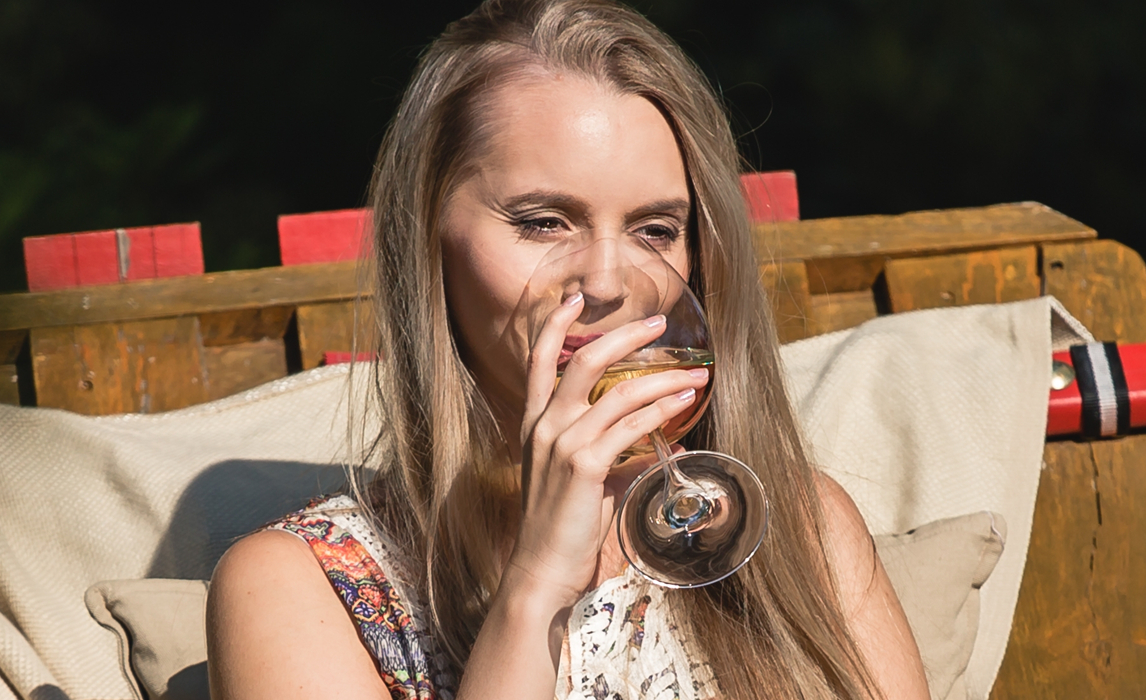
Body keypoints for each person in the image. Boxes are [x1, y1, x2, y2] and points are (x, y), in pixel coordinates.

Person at [207, 1, 929, 698]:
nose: (610, 283)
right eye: (545, 222)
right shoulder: (300, 589)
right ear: (427, 242)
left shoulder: (797, 529)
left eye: (654, 230)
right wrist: (537, 585)